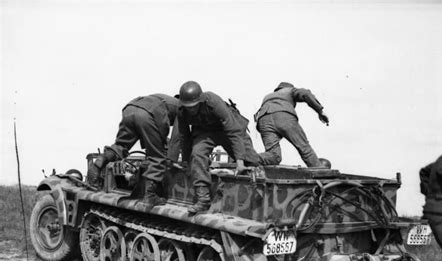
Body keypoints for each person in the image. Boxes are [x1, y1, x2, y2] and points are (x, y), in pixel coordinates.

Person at [177, 81, 261, 214]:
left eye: (194, 106)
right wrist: (187, 162)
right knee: (197, 154)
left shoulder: (213, 102)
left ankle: (269, 161)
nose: (191, 109)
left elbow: (233, 131)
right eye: (188, 107)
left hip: (226, 130)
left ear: (201, 100)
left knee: (251, 161)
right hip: (205, 132)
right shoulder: (181, 111)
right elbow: (184, 136)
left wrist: (239, 161)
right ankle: (203, 199)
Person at [87, 93, 180, 208]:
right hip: (149, 114)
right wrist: (172, 160)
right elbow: (176, 137)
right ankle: (150, 196)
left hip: (130, 109)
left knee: (120, 146)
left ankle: (98, 163)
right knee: (157, 157)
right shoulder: (181, 107)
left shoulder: (163, 98)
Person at [254, 82, 329, 167]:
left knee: (273, 155)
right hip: (283, 116)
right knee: (303, 146)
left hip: (263, 120)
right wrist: (320, 111)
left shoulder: (268, 96)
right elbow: (305, 93)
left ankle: (248, 158)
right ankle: (319, 169)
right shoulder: (289, 90)